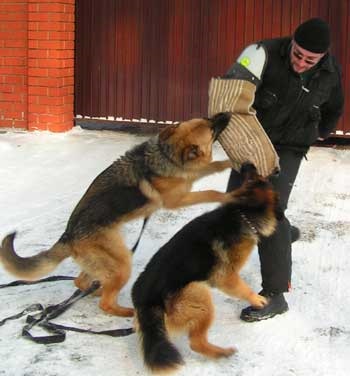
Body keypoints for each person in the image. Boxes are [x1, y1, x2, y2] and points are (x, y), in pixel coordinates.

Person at [223, 18, 344, 322]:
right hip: (254, 140)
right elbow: (231, 92)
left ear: (323, 57)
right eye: (298, 54)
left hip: (289, 147)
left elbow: (335, 106)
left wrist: (319, 131)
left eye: (310, 59)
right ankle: (283, 235)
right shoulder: (263, 53)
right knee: (235, 206)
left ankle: (275, 294)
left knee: (268, 214)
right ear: (292, 42)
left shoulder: (330, 71)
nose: (302, 63)